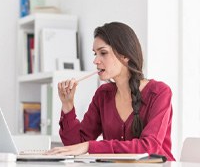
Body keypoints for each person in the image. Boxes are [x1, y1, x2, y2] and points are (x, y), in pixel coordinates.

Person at [46, 22, 175, 161]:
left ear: (125, 55)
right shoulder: (103, 95)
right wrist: (67, 105)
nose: (95, 60)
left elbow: (149, 148)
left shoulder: (159, 93)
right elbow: (75, 146)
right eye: (95, 54)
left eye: (103, 53)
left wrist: (91, 146)